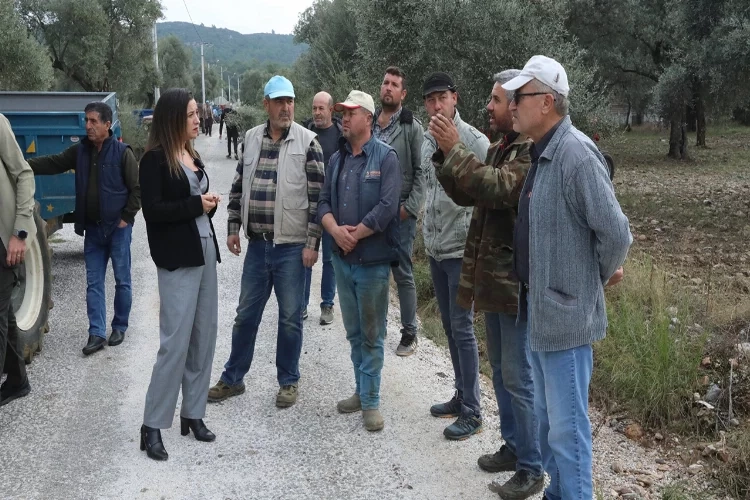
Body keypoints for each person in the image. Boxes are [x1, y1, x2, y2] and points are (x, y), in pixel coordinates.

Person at [501, 55, 631, 500]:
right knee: (550, 428)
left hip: (567, 321)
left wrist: (594, 275)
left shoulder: (575, 154)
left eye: (521, 96)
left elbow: (615, 232)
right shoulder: (542, 154)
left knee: (568, 436)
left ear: (548, 102)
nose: (513, 105)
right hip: (543, 318)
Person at [430, 70, 544, 498]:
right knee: (501, 372)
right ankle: (514, 448)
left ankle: (532, 468)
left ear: (515, 107)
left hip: (514, 285)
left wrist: (455, 149)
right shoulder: (501, 148)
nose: (488, 108)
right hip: (493, 285)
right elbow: (469, 193)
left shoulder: (529, 153)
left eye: (495, 101)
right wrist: (446, 159)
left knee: (518, 377)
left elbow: (496, 190)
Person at [207, 76, 325, 409]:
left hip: (291, 247)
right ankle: (233, 378)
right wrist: (233, 226)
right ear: (266, 104)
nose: (286, 107)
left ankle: (288, 381)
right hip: (258, 246)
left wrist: (312, 244)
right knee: (245, 315)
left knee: (289, 318)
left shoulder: (308, 142)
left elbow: (319, 200)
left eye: (290, 101)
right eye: (279, 101)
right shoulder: (250, 139)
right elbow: (238, 187)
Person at [138, 88, 222, 461]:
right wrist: (194, 205)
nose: (197, 118)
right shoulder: (153, 160)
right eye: (190, 113)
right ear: (173, 118)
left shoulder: (191, 154)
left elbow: (193, 207)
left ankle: (193, 413)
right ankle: (152, 425)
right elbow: (154, 211)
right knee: (175, 342)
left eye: (196, 113)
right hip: (177, 257)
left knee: (204, 335)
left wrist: (208, 206)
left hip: (204, 250)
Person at [28, 102, 141, 356]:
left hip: (118, 229)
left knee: (122, 281)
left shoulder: (123, 153)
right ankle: (97, 333)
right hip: (93, 230)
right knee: (93, 283)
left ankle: (120, 326)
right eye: (86, 121)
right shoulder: (79, 152)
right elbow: (53, 162)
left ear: (106, 124)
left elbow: (137, 190)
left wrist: (126, 218)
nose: (87, 126)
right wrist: (23, 165)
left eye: (93, 121)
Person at [318, 90, 401, 432]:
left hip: (372, 262)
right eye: (342, 113)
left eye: (350, 113)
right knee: (353, 331)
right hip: (342, 260)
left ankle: (371, 402)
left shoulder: (385, 158)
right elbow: (322, 202)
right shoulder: (337, 159)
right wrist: (336, 231)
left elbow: (387, 207)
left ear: (367, 118)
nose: (344, 118)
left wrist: (356, 234)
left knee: (372, 332)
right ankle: (360, 389)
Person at [420, 72, 489, 441]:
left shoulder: (475, 141)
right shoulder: (425, 141)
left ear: (454, 99)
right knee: (449, 326)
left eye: (441, 98)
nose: (435, 105)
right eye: (430, 100)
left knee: (462, 328)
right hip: (435, 247)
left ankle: (474, 411)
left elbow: (485, 193)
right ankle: (461, 395)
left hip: (461, 250)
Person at [373, 66, 424, 356]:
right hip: (374, 212)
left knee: (402, 272)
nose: (388, 88)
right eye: (385, 82)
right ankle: (377, 328)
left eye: (394, 84)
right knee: (376, 271)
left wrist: (409, 208)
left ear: (403, 94)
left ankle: (409, 333)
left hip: (400, 213)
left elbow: (422, 171)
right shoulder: (371, 123)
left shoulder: (411, 127)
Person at [0, 113, 36, 407]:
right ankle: (17, 380)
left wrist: (19, 232)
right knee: (4, 314)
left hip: (4, 238)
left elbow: (23, 174)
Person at [303, 91, 342, 325]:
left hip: (332, 208)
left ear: (330, 110)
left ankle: (327, 304)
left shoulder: (340, 136)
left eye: (321, 108)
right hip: (307, 207)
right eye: (314, 108)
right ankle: (301, 304)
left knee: (330, 259)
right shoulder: (305, 135)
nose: (317, 112)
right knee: (305, 257)